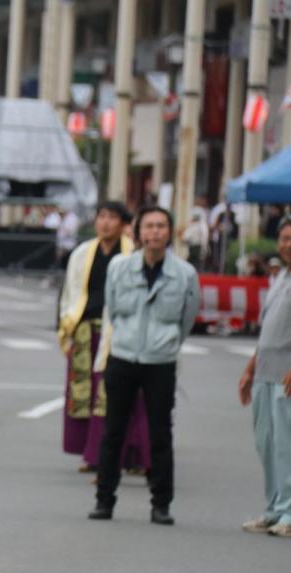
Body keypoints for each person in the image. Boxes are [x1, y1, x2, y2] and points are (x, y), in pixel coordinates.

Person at [89, 207, 200, 525]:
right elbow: (113, 307)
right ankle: (104, 500)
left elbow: (187, 318)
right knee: (113, 432)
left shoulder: (185, 274)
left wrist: (168, 343)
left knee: (160, 433)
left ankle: (161, 503)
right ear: (138, 232)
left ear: (169, 232)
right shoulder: (119, 268)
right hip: (123, 356)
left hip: (160, 361)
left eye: (161, 226)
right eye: (148, 226)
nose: (154, 232)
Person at [57, 201, 150, 475]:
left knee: (117, 395)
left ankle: (131, 453)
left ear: (123, 224)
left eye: (112, 218)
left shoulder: (132, 255)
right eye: (101, 217)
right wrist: (66, 327)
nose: (105, 223)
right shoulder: (82, 253)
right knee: (84, 394)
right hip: (85, 329)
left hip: (118, 332)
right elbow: (69, 293)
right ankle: (91, 452)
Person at [238, 215, 291, 537]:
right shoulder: (282, 277)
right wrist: (250, 368)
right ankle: (275, 508)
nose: (289, 245)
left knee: (290, 446)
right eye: (285, 239)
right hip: (265, 372)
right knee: (268, 444)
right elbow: (268, 331)